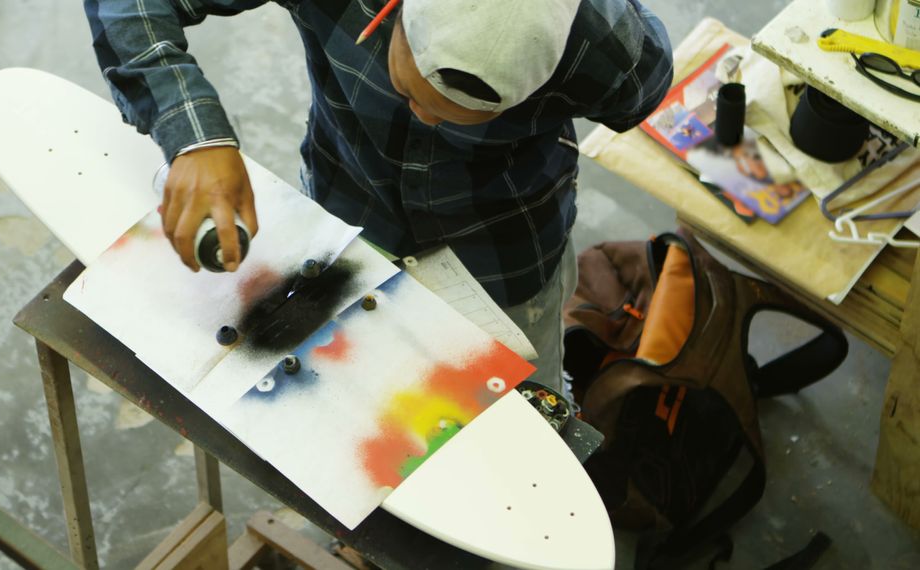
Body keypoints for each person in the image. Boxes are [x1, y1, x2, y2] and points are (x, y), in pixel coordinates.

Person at [84, 0, 673, 397]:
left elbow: (643, 95)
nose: (424, 118)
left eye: (460, 117)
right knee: (357, 396)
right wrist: (194, 137)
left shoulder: (605, 42)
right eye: (410, 90)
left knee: (521, 409)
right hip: (348, 208)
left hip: (505, 253)